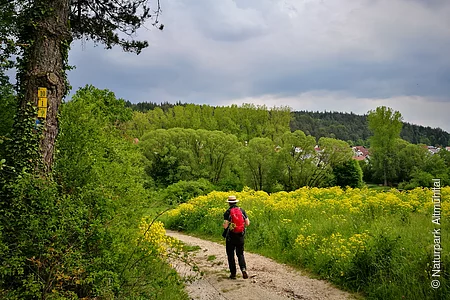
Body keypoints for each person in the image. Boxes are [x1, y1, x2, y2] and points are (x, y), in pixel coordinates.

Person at [223, 195, 250, 279]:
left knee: (230, 255)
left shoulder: (227, 212)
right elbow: (247, 223)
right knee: (240, 254)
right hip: (240, 236)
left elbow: (225, 226)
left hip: (231, 237)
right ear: (236, 202)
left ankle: (233, 273)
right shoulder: (241, 210)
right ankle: (243, 269)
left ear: (229, 203)